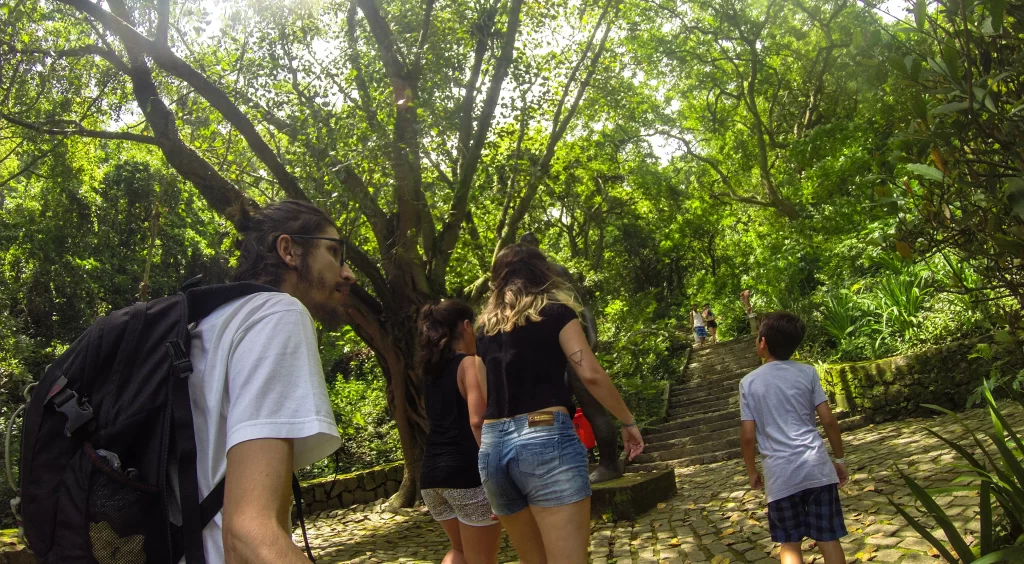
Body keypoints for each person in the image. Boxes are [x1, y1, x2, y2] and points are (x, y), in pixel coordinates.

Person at [184, 200, 355, 562]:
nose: (347, 273)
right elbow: (248, 533)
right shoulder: (279, 313)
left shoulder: (215, 323)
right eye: (334, 252)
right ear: (289, 250)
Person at [475, 243, 645, 564]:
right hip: (545, 439)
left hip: (493, 449)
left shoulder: (484, 329)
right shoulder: (556, 312)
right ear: (543, 272)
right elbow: (590, 373)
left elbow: (483, 396)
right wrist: (627, 421)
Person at [739, 312, 849, 564]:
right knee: (828, 537)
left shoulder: (749, 383)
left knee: (789, 543)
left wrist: (751, 470)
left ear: (763, 343)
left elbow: (747, 436)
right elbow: (829, 421)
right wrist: (839, 459)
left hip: (780, 475)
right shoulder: (807, 373)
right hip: (817, 467)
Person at [519, 232, 622, 483]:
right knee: (546, 410)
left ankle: (609, 462)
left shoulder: (556, 271)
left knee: (591, 405)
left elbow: (582, 304)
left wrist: (591, 335)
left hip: (572, 345)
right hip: (545, 352)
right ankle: (558, 466)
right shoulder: (522, 282)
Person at [417, 300, 502, 564]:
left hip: (431, 478)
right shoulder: (469, 364)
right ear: (466, 326)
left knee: (460, 551)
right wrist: (494, 476)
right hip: (466, 475)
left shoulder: (429, 372)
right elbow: (477, 420)